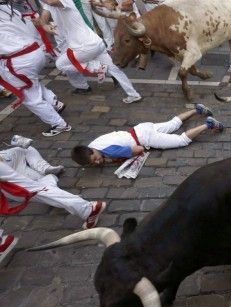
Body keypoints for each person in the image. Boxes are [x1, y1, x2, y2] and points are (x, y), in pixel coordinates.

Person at [40, 0, 142, 103]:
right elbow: (44, 15)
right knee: (115, 70)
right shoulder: (49, 5)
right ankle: (134, 94)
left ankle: (98, 68)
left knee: (60, 64)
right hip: (96, 43)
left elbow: (51, 2)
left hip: (84, 47)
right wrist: (45, 25)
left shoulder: (65, 1)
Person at [71, 104, 224, 166]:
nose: (97, 162)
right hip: (140, 128)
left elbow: (138, 150)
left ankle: (209, 124)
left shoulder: (108, 151)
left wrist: (112, 161)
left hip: (144, 138)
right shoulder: (93, 144)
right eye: (93, 163)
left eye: (95, 159)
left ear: (90, 151)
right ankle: (197, 109)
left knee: (181, 140)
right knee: (172, 124)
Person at [0, 2, 70, 137]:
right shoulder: (7, 7)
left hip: (19, 59)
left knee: (30, 97)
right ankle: (54, 103)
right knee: (32, 83)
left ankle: (59, 124)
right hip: (34, 52)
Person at [0, 146, 106, 229]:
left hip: (7, 163)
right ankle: (47, 173)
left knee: (34, 191)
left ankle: (87, 209)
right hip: (8, 157)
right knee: (41, 185)